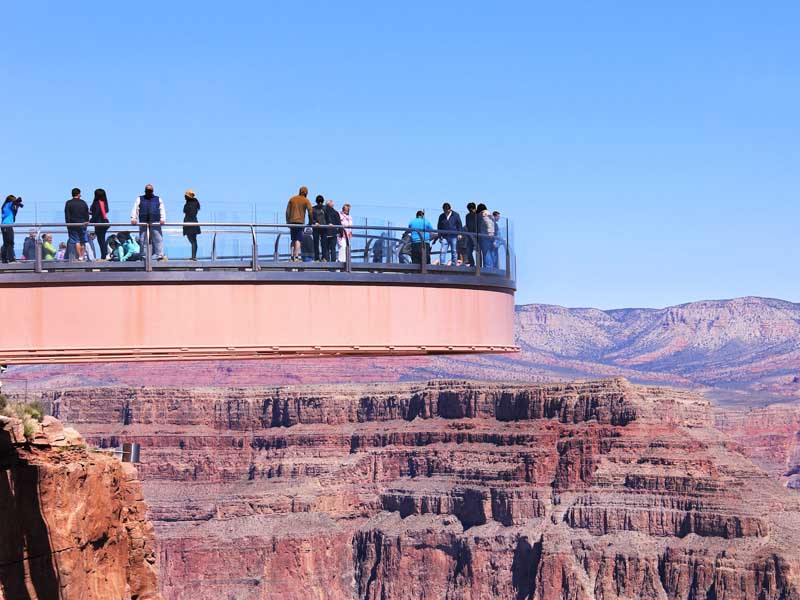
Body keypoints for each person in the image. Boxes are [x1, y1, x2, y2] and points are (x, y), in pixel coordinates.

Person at [131, 184, 166, 261]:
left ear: (153, 191)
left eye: (150, 191)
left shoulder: (158, 199)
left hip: (155, 221)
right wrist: (133, 218)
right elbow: (135, 208)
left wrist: (163, 218)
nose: (149, 192)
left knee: (158, 238)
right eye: (147, 190)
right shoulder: (139, 198)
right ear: (145, 191)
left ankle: (159, 255)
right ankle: (143, 256)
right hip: (143, 221)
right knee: (143, 239)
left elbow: (162, 209)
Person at [285, 186, 312, 262]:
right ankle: (296, 257)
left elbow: (287, 211)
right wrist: (310, 222)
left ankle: (291, 256)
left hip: (291, 222)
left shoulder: (292, 199)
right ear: (306, 193)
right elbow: (310, 211)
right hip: (300, 222)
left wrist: (288, 222)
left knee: (293, 239)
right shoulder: (306, 200)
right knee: (298, 240)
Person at [64, 188, 90, 261]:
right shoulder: (83, 202)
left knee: (76, 241)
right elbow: (86, 213)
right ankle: (82, 255)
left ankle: (79, 256)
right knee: (83, 241)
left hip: (73, 224)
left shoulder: (68, 203)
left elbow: (67, 214)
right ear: (78, 194)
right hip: (82, 224)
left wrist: (68, 224)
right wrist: (87, 220)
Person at [1, 195, 23, 263]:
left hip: (5, 225)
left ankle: (4, 259)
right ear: (11, 200)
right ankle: (11, 259)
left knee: (6, 243)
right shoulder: (8, 204)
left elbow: (14, 211)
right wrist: (18, 200)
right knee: (10, 242)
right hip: (7, 225)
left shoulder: (6, 206)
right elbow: (15, 202)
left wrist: (17, 206)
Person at [90, 189, 110, 259]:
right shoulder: (104, 202)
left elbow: (97, 213)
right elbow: (106, 210)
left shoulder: (97, 202)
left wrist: (90, 221)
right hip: (104, 222)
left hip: (99, 223)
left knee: (100, 240)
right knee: (102, 239)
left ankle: (104, 255)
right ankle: (104, 255)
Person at [182, 189, 201, 261]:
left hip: (190, 223)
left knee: (193, 241)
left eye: (185, 195)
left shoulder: (190, 204)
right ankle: (193, 256)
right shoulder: (194, 203)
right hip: (193, 223)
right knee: (193, 240)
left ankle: (193, 257)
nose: (184, 196)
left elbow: (189, 212)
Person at [477, 203, 495, 269]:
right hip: (489, 236)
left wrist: (490, 232)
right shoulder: (489, 214)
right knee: (489, 251)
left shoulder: (484, 214)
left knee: (486, 252)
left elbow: (488, 223)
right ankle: (490, 266)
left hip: (486, 236)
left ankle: (488, 267)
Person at [311, 195, 328, 261]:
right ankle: (323, 257)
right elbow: (328, 217)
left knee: (318, 243)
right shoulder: (326, 208)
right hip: (322, 227)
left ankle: (318, 258)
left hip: (319, 227)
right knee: (322, 243)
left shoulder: (313, 208)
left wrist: (315, 222)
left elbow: (311, 217)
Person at [463, 202, 478, 267]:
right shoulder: (467, 216)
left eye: (471, 209)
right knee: (469, 251)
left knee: (479, 251)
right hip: (470, 236)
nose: (470, 211)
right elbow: (467, 226)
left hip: (478, 236)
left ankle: (479, 265)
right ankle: (472, 264)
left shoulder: (478, 215)